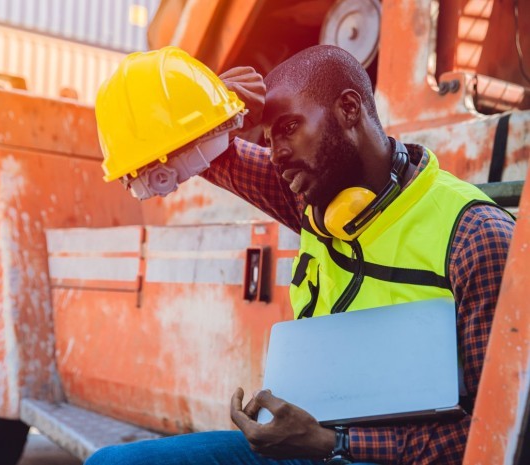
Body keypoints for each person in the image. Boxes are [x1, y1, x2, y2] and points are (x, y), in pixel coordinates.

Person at [87, 45, 515, 465]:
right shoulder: (316, 201)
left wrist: (335, 443)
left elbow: (493, 430)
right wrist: (209, 100)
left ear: (349, 110)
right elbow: (203, 156)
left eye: (290, 127)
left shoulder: (475, 238)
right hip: (310, 447)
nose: (276, 155)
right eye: (269, 140)